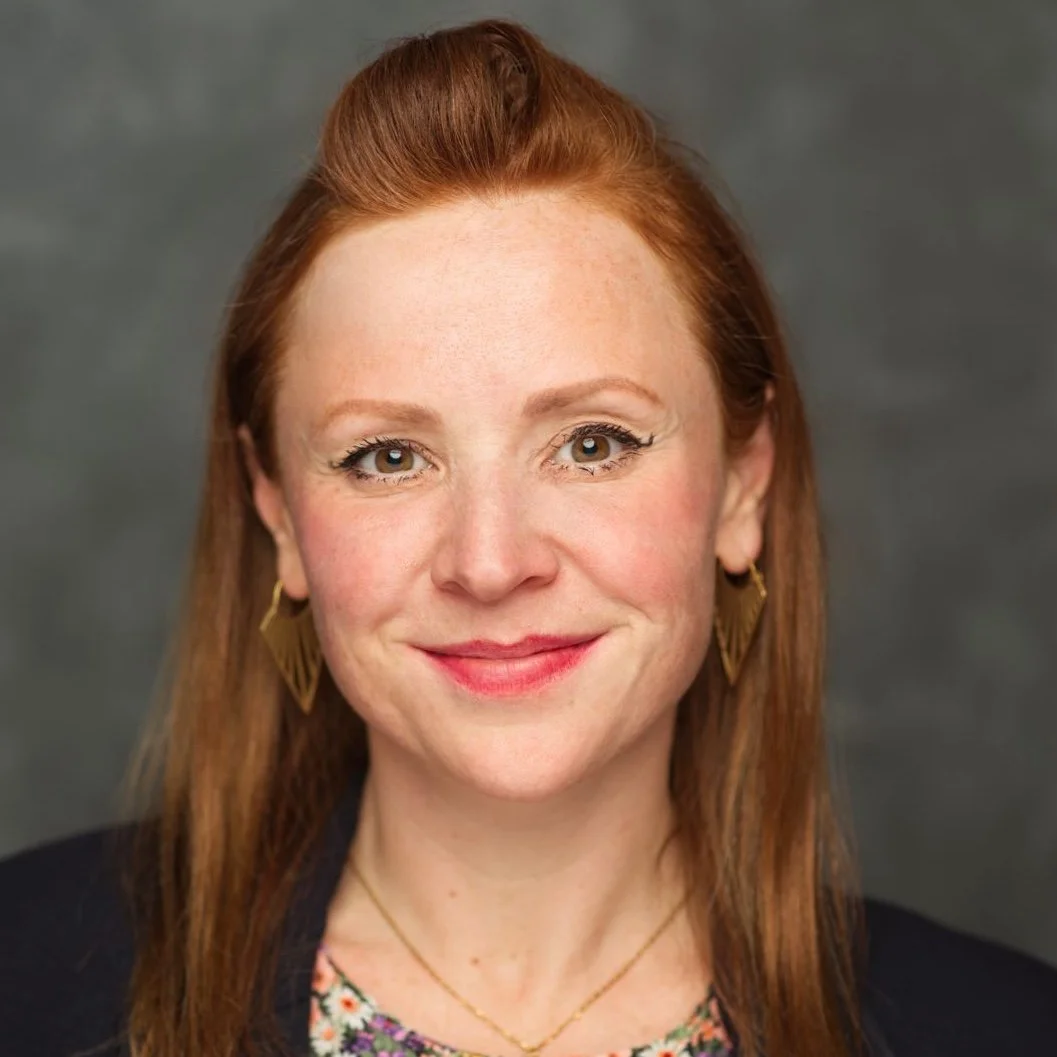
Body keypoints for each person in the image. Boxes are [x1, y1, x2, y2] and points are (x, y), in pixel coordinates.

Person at [1, 17, 1055, 1057]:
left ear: (743, 482)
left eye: (592, 442)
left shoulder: (1007, 1029)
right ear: (276, 511)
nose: (491, 562)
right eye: (386, 457)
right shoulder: (24, 977)